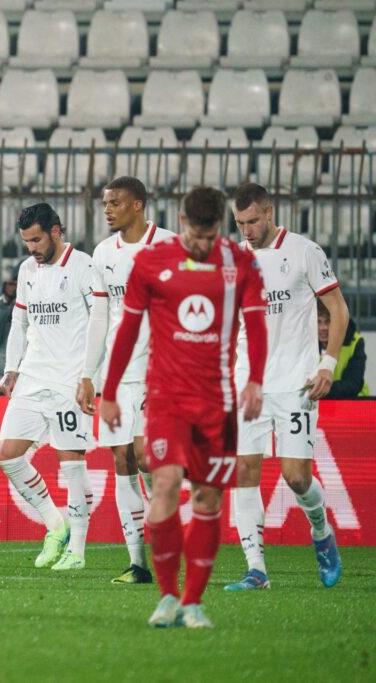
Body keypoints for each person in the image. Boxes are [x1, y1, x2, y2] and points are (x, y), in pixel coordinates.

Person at [101, 186, 268, 628]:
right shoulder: (153, 262)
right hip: (166, 398)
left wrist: (254, 380)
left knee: (208, 497)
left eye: (208, 235)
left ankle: (193, 601)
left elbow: (256, 324)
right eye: (193, 234)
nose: (199, 243)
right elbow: (127, 330)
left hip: (217, 401)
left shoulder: (241, 263)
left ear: (220, 226)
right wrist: (111, 390)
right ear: (181, 220)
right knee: (165, 484)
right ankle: (167, 596)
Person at [225, 183, 348, 592]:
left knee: (296, 478)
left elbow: (338, 309)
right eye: (240, 223)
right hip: (250, 385)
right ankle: (256, 570)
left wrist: (327, 364)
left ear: (270, 211)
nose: (247, 230)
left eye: (253, 221)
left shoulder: (304, 251)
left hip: (296, 381)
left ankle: (321, 531)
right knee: (245, 470)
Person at [79, 176, 176, 585]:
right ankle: (138, 562)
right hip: (119, 374)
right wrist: (87, 373)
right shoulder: (103, 254)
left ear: (138, 205)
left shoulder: (169, 247)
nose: (107, 210)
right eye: (105, 204)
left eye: (115, 203)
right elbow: (101, 316)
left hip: (160, 372)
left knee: (148, 457)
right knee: (122, 460)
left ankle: (167, 528)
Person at [0, 203, 96, 571]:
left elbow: (101, 323)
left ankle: (79, 552)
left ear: (56, 231)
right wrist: (11, 369)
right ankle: (56, 523)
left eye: (36, 239)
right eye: (25, 242)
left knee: (72, 467)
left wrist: (90, 376)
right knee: (7, 455)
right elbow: (19, 321)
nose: (31, 248)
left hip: (70, 382)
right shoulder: (27, 270)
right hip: (33, 377)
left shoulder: (84, 267)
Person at [318, 299, 369, 398]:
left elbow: (353, 383)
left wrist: (320, 389)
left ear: (338, 322)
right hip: (316, 402)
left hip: (353, 402)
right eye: (318, 321)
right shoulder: (307, 343)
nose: (322, 327)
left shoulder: (355, 342)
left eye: (328, 321)